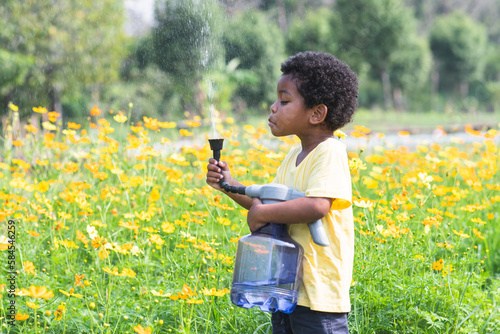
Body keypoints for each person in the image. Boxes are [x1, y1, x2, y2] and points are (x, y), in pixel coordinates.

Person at [206, 51, 358, 334]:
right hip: (287, 291)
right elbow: (267, 202)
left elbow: (317, 206)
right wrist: (228, 184)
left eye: (284, 101)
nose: (273, 107)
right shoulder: (294, 156)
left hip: (319, 298)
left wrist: (262, 212)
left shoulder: (330, 152)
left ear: (317, 113)